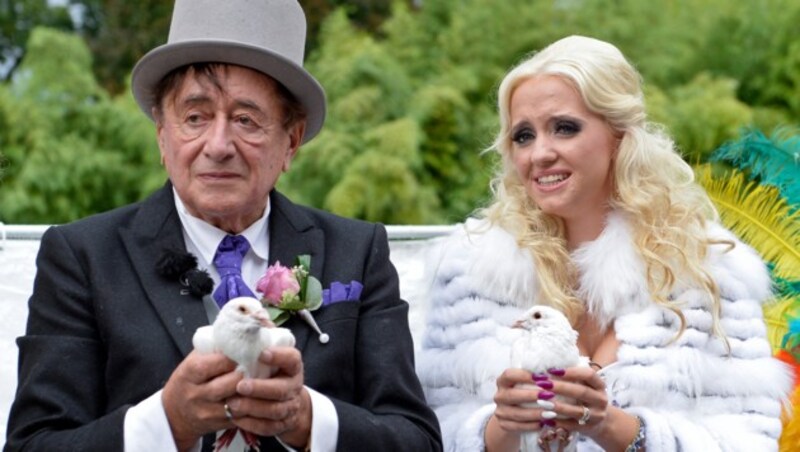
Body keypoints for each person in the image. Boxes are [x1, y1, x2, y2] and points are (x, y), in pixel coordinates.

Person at [4, 1, 441, 451]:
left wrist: (308, 420)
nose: (218, 145)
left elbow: (417, 440)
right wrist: (166, 422)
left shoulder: (358, 251)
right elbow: (32, 444)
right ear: (161, 134)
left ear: (291, 141)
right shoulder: (82, 257)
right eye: (195, 117)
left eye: (246, 120)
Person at [416, 35, 792, 451]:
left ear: (619, 135)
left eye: (564, 128)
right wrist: (501, 427)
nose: (539, 153)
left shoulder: (705, 268)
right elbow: (427, 433)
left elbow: (751, 439)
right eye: (523, 136)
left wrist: (613, 427)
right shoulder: (471, 269)